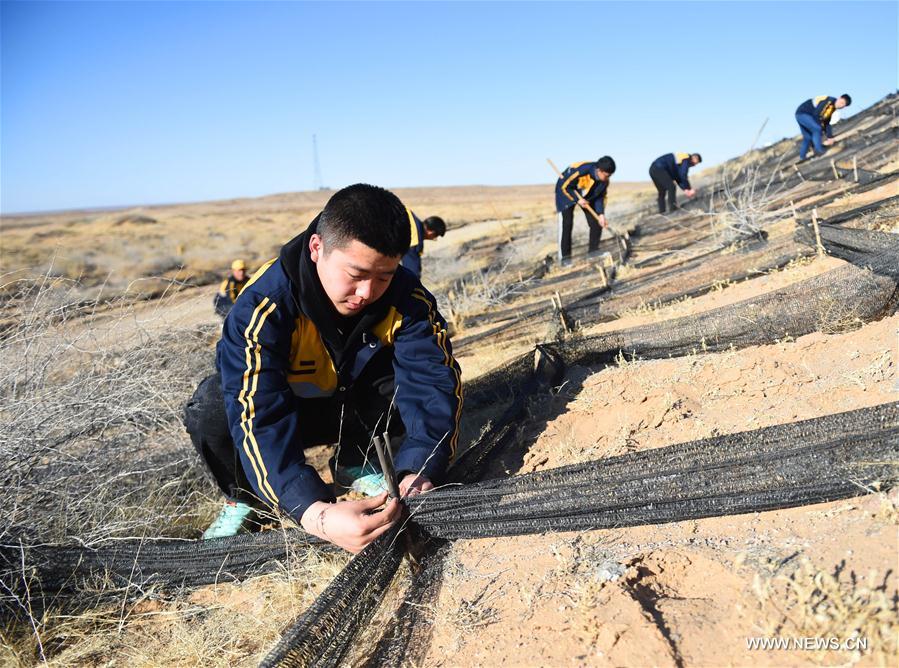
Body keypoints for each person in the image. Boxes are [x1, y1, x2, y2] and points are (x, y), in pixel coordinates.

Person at [184, 184, 463, 553]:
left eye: (383, 276)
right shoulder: (262, 305)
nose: (367, 292)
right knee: (211, 406)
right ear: (317, 248)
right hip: (290, 415)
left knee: (398, 370)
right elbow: (256, 413)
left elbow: (432, 381)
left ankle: (356, 461)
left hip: (352, 407)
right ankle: (246, 497)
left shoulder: (408, 298)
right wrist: (314, 511)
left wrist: (421, 469)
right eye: (357, 273)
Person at [554, 156, 616, 265]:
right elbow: (565, 187)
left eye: (610, 175)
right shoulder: (582, 170)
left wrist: (601, 214)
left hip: (586, 195)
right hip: (566, 192)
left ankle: (593, 252)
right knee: (567, 223)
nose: (608, 178)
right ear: (599, 171)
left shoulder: (604, 181)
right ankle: (565, 258)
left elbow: (599, 197)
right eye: (607, 175)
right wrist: (577, 199)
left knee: (596, 222)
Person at [795, 94, 852, 161]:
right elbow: (817, 115)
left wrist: (830, 136)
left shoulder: (832, 107)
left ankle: (802, 157)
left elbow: (827, 121)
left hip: (801, 115)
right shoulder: (829, 101)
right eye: (842, 102)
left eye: (843, 106)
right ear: (839, 98)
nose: (841, 105)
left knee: (808, 137)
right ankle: (819, 150)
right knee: (817, 129)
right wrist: (823, 130)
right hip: (803, 113)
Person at [401, 213, 446, 278]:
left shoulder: (410, 215)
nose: (434, 239)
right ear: (431, 233)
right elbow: (412, 273)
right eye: (435, 236)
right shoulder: (415, 242)